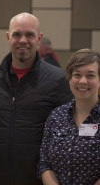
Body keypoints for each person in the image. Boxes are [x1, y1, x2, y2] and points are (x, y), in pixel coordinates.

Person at [0, 12, 73, 185]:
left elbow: (69, 134)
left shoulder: (58, 80)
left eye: (30, 34)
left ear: (39, 38)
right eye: (17, 34)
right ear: (8, 37)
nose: (23, 40)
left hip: (40, 180)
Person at [39, 48, 100, 185]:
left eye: (90, 75)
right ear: (69, 78)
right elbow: (45, 162)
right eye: (77, 75)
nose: (83, 81)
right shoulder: (56, 116)